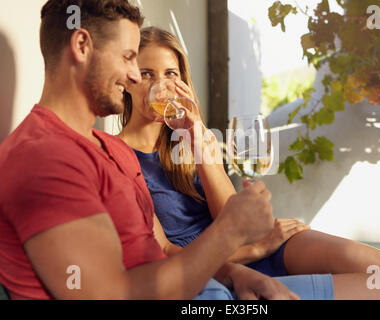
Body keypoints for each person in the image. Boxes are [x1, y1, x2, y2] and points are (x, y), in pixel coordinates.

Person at [0, 0, 306, 300]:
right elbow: (102, 294)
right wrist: (231, 233)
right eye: (128, 57)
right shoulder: (41, 157)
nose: (135, 76)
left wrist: (236, 273)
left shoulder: (109, 149)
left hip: (202, 283)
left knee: (354, 286)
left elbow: (164, 249)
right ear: (81, 45)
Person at [118, 26, 380, 300]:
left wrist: (199, 140)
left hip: (249, 245)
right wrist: (257, 248)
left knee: (366, 261)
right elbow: (164, 251)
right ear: (130, 79)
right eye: (147, 74)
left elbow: (227, 216)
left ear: (182, 82)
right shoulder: (118, 156)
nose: (160, 86)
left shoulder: (190, 138)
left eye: (170, 74)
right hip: (216, 266)